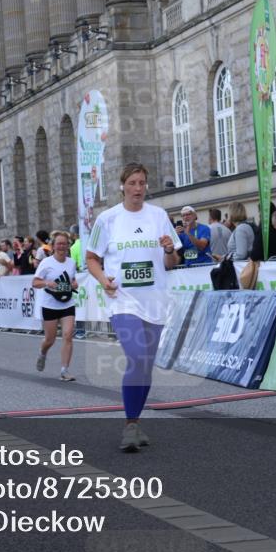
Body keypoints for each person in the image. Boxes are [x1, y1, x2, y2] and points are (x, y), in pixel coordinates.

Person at [86, 163, 181, 452]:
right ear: (122, 186)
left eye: (142, 183)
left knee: (146, 367)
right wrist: (104, 280)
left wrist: (168, 250)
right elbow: (91, 258)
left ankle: (135, 422)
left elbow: (172, 263)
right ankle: (129, 427)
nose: (138, 188)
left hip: (155, 299)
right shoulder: (108, 219)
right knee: (136, 357)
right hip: (123, 300)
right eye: (132, 183)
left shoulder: (159, 216)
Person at [33, 230, 78, 381]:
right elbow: (35, 282)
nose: (61, 246)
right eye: (58, 243)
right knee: (50, 340)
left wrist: (74, 284)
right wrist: (47, 282)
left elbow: (72, 281)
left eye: (64, 244)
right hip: (50, 305)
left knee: (68, 335)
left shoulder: (71, 262)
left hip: (67, 304)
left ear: (68, 246)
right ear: (53, 246)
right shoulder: (46, 263)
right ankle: (42, 353)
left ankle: (64, 371)